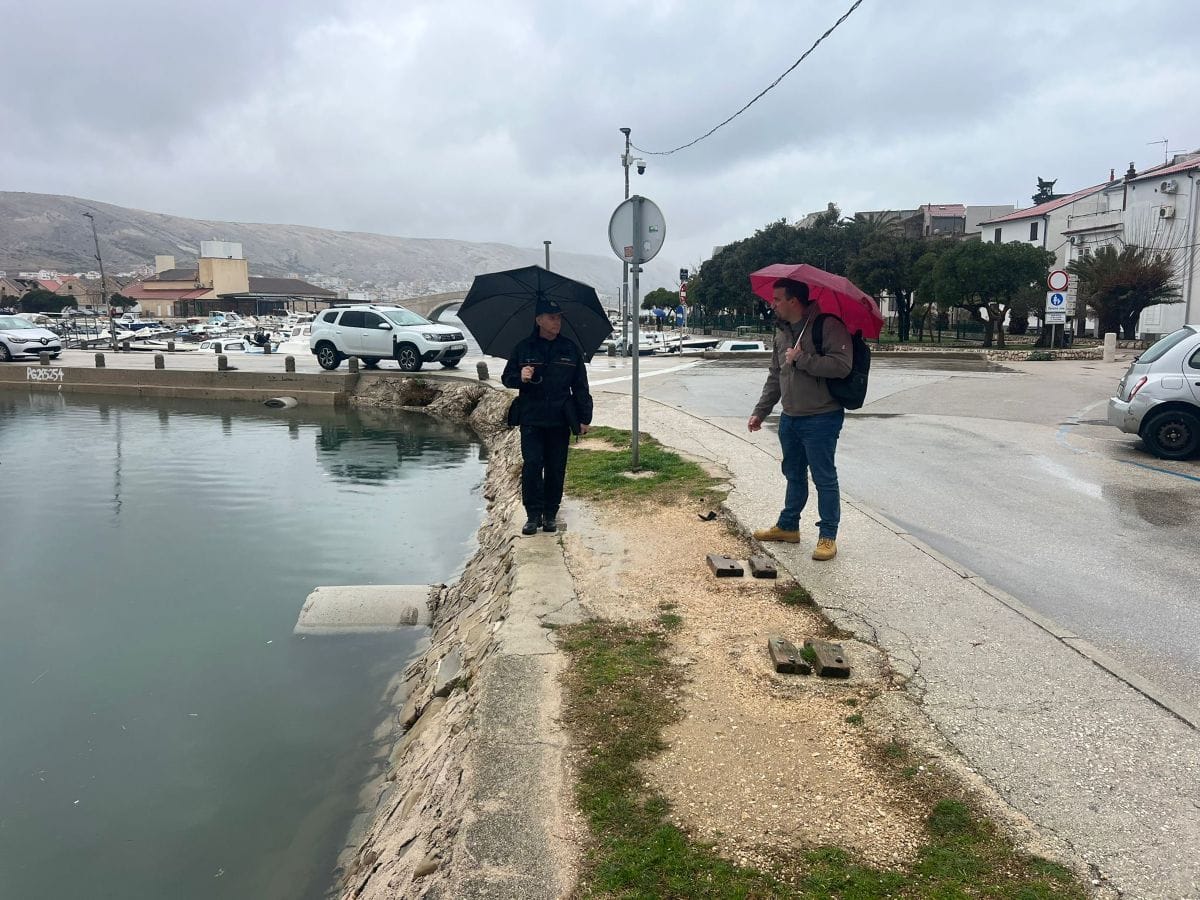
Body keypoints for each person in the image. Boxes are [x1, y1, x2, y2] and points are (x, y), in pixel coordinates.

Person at [747, 278, 852, 561]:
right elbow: (775, 375)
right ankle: (788, 526)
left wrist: (802, 358)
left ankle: (828, 535)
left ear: (794, 301)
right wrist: (761, 411)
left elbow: (842, 366)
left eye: (777, 299)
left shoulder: (827, 326)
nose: (773, 304)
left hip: (821, 417)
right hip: (790, 418)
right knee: (793, 475)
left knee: (824, 478)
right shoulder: (782, 333)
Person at [501, 297, 593, 536]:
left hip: (559, 419)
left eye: (559, 317)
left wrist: (585, 418)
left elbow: (581, 386)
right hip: (531, 418)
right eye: (552, 318)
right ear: (539, 320)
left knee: (555, 468)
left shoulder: (570, 349)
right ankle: (533, 514)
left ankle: (550, 513)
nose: (557, 322)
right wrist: (520, 376)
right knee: (532, 465)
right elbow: (506, 378)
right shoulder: (524, 348)